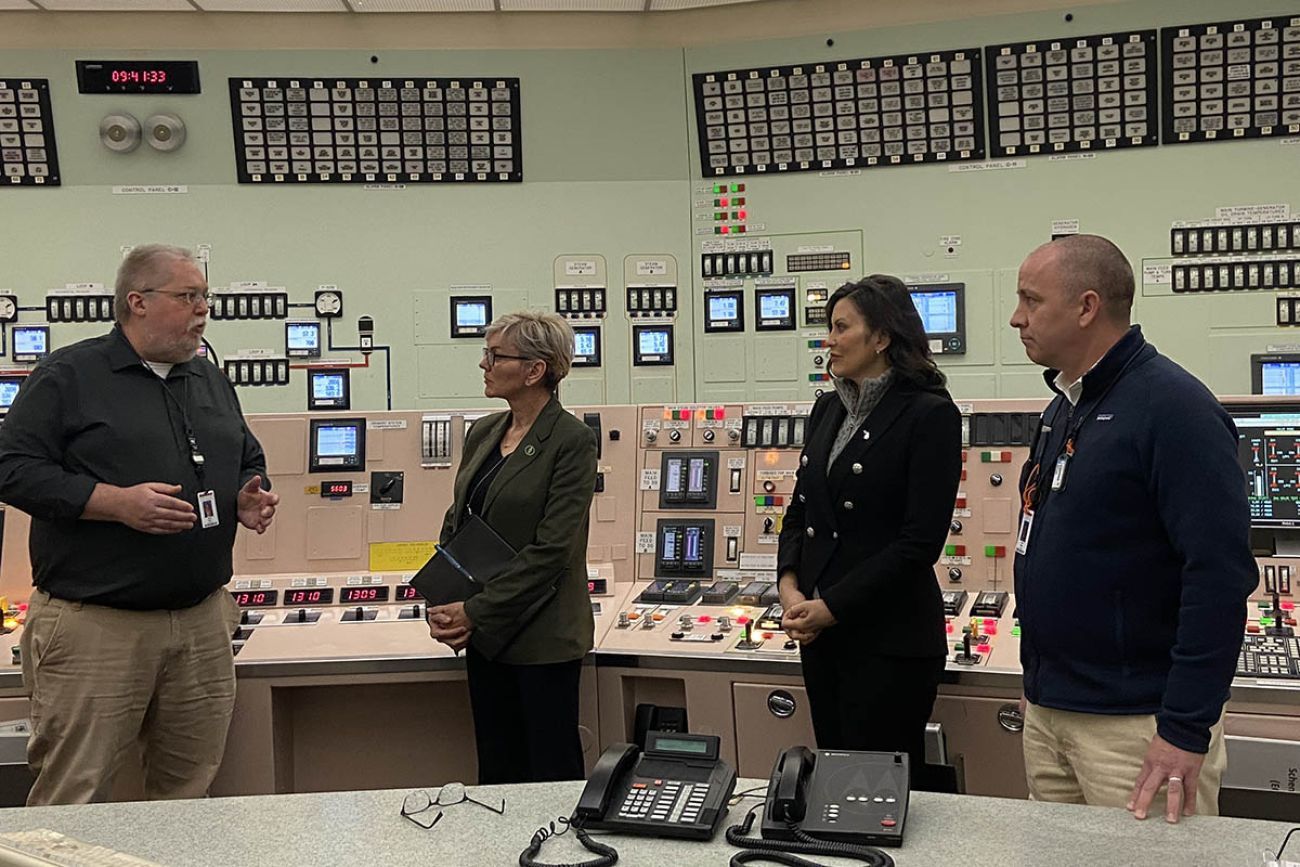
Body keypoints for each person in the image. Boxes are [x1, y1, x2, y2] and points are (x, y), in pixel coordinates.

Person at [0, 244, 279, 805]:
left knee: (186, 794)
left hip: (200, 622)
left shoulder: (206, 377)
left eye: (206, 297)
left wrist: (247, 494)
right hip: (96, 626)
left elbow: (245, 454)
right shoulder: (68, 375)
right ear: (138, 301)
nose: (203, 310)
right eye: (189, 297)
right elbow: (12, 468)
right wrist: (112, 502)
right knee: (74, 797)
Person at [1010, 234, 1256, 822]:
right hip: (1052, 712)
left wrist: (1185, 727)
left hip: (1137, 730)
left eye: (1031, 300)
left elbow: (1218, 577)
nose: (1017, 318)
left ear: (1087, 307)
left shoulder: (1174, 410)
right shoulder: (1066, 405)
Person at [778, 275, 963, 785]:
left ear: (881, 337)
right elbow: (801, 510)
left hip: (888, 643)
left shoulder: (930, 415)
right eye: (828, 328)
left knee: (871, 792)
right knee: (833, 782)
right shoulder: (828, 407)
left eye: (841, 327)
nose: (829, 340)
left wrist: (830, 607)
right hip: (822, 637)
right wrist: (789, 584)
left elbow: (919, 543)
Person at [426, 310, 598, 785]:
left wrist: (475, 610)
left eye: (494, 355)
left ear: (534, 370)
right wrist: (443, 600)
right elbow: (458, 520)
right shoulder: (483, 432)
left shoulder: (571, 441)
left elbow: (552, 550)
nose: (484, 364)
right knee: (497, 774)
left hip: (541, 639)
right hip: (487, 639)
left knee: (549, 776)